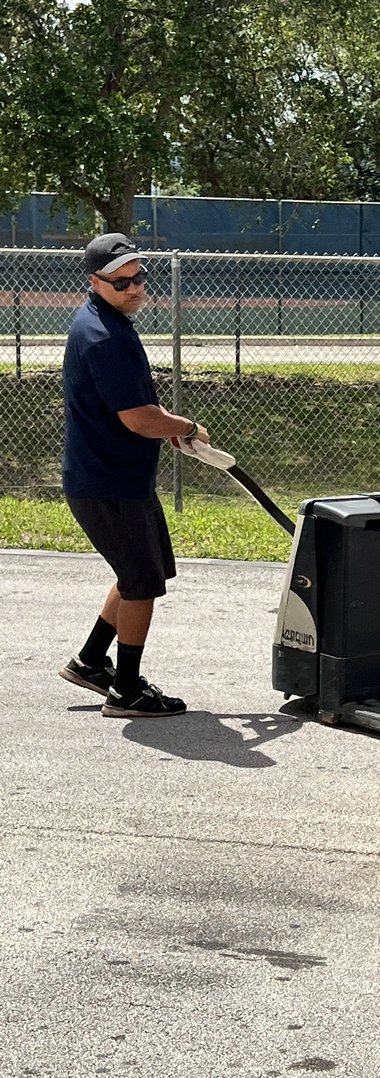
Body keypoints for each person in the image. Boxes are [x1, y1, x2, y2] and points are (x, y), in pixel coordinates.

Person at [58, 232, 209, 718]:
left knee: (136, 572)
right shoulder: (102, 336)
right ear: (94, 281)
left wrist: (162, 423)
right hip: (107, 485)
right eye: (121, 282)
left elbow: (140, 406)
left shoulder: (109, 321)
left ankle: (90, 661)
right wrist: (184, 426)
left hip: (116, 479)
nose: (135, 288)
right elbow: (137, 418)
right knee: (141, 583)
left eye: (139, 277)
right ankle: (126, 691)